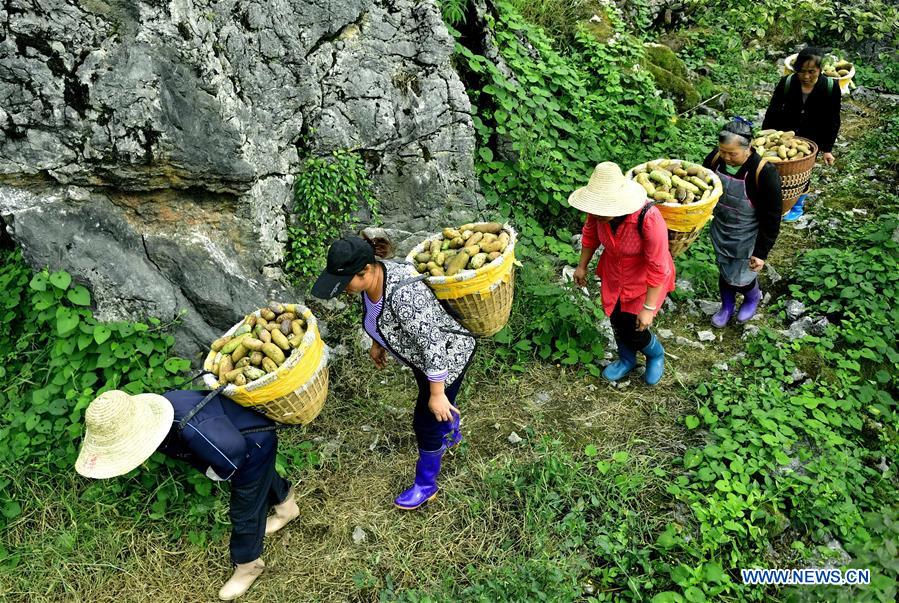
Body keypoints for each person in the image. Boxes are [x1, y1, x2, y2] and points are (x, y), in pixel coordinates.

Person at [75, 389, 300, 601]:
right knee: (261, 476)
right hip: (235, 434)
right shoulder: (160, 413)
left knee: (245, 508)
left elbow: (234, 457)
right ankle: (287, 509)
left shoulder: (193, 430)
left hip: (253, 442)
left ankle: (248, 565)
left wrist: (215, 470)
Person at [311, 235, 476, 510]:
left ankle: (426, 485)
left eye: (345, 283)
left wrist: (436, 393)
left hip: (448, 355)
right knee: (436, 409)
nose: (343, 290)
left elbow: (433, 344)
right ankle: (451, 433)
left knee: (426, 421)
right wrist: (378, 343)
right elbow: (379, 315)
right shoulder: (373, 279)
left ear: (365, 270)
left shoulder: (403, 293)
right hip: (423, 360)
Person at [572, 162, 675, 386]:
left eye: (602, 210)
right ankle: (627, 359)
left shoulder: (648, 218)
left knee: (637, 326)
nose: (597, 214)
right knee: (617, 318)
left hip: (643, 279)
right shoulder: (597, 212)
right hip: (614, 274)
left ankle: (655, 353)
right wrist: (582, 266)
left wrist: (648, 309)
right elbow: (590, 235)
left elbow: (658, 267)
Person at [703, 118, 783, 328]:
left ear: (748, 148)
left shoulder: (763, 173)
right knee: (725, 268)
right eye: (723, 151)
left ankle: (752, 295)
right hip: (722, 227)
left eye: (733, 154)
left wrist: (761, 252)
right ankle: (727, 306)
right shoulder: (714, 160)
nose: (727, 158)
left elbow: (773, 217)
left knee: (742, 275)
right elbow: (704, 188)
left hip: (749, 233)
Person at [763, 45, 841, 221]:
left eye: (812, 72)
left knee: (802, 173)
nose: (806, 76)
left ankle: (797, 205)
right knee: (777, 170)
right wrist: (765, 136)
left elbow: (833, 119)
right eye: (802, 71)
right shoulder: (787, 82)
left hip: (811, 136)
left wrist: (827, 148)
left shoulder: (830, 87)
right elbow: (772, 111)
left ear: (820, 70)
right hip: (784, 135)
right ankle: (777, 203)